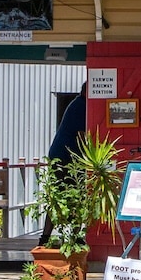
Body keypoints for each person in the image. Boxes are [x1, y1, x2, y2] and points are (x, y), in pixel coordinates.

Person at [38, 83, 89, 246]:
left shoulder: (77, 104)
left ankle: (52, 237)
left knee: (66, 196)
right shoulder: (81, 106)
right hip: (66, 158)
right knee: (67, 196)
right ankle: (71, 237)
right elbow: (82, 137)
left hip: (63, 156)